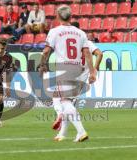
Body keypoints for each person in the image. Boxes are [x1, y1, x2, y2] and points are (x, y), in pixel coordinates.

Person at [38, 5, 96, 142]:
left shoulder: (55, 31)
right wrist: (92, 72)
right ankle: (62, 134)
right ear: (71, 17)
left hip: (64, 69)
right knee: (65, 101)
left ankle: (81, 131)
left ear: (58, 16)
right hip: (78, 69)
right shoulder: (81, 33)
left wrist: (42, 64)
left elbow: (46, 51)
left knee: (64, 102)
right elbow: (87, 53)